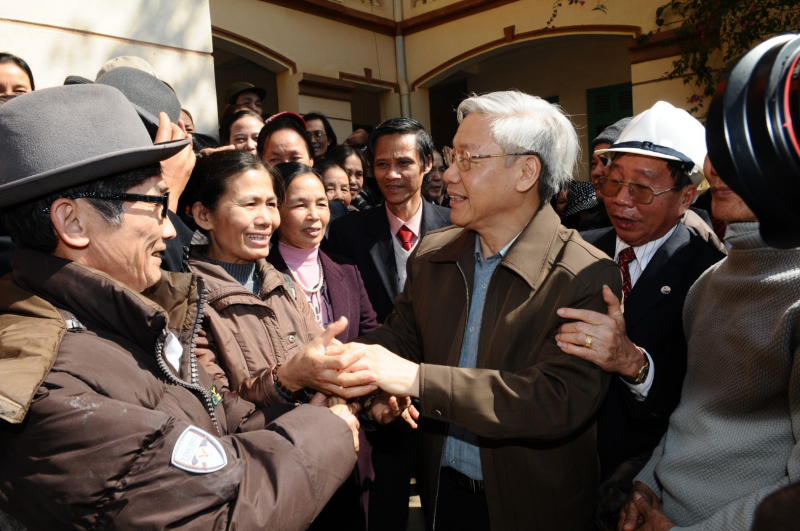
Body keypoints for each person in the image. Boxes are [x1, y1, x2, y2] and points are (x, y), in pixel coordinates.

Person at [0, 83, 361, 529]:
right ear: (72, 222)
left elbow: (222, 422)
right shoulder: (53, 385)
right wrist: (329, 431)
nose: (170, 231)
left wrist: (322, 409)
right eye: (157, 203)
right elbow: (218, 516)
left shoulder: (130, 319)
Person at [336, 91, 623, 531]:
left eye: (468, 159)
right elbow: (400, 339)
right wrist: (339, 364)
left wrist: (417, 381)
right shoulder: (433, 255)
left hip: (533, 508)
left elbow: (554, 399)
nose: (449, 173)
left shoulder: (582, 274)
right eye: (452, 156)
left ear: (526, 172)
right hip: (442, 498)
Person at [554, 102, 726, 528]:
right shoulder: (578, 247)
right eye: (614, 183)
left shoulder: (710, 273)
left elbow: (704, 398)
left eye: (642, 190)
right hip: (560, 468)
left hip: (639, 481)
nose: (621, 200)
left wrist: (633, 363)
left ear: (686, 197)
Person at [618, 156, 800, 531]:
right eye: (715, 144)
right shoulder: (709, 283)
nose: (715, 167)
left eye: (742, 144)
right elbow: (692, 412)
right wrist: (648, 484)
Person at [186, 149, 377, 406]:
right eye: (250, 204)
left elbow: (329, 368)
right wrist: (285, 379)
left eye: (271, 204)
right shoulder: (187, 303)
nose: (266, 220)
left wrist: (363, 404)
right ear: (204, 215)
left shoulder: (283, 284)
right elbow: (217, 406)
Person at [326, 119, 451, 324]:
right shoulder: (347, 233)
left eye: (404, 163)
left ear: (427, 163)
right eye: (382, 164)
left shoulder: (455, 227)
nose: (392, 174)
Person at [268, 162, 378, 341]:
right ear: (275, 209)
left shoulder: (348, 270)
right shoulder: (260, 275)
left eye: (321, 204)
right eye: (300, 205)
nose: (314, 215)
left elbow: (371, 333)